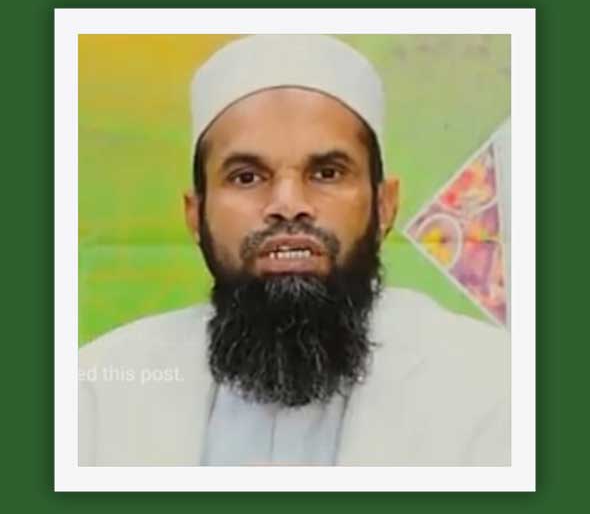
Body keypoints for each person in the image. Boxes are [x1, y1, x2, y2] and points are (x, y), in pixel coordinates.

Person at [78, 35, 510, 467]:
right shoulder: (94, 392)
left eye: (327, 173)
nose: (288, 205)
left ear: (384, 206)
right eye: (247, 177)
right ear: (195, 214)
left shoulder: (497, 386)